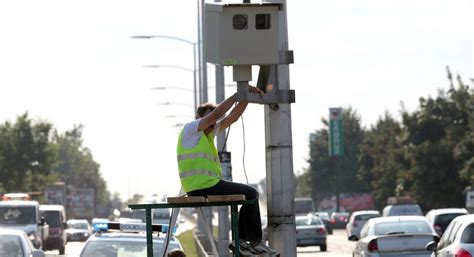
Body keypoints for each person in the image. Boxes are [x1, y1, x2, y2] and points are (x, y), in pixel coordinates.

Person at [176, 85, 276, 255]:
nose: (213, 122)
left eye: (213, 121)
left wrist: (246, 96)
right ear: (199, 118)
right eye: (208, 118)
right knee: (251, 193)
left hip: (205, 185)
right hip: (203, 186)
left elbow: (233, 117)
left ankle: (243, 242)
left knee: (249, 194)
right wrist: (236, 95)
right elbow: (217, 114)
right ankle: (251, 242)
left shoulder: (207, 134)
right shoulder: (191, 129)